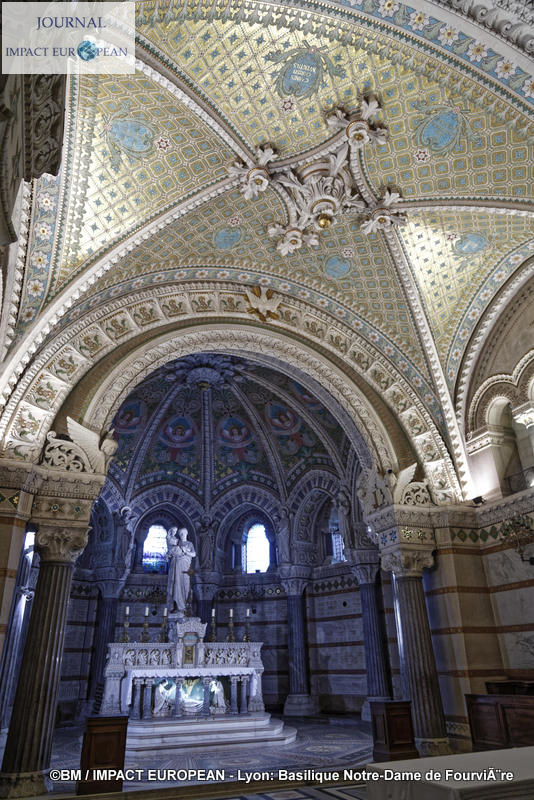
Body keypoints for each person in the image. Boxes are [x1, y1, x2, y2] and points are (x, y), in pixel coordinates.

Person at [166, 527, 196, 614]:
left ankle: (184, 606)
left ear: (186, 534)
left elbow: (194, 554)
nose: (182, 535)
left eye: (184, 533)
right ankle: (178, 606)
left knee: (186, 586)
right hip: (176, 567)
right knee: (176, 584)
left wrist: (185, 552)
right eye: (180, 534)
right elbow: (170, 551)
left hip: (185, 568)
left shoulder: (189, 544)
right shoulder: (177, 543)